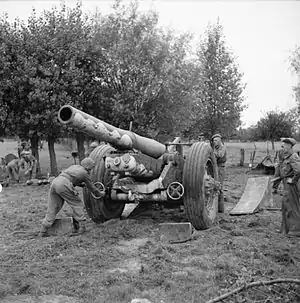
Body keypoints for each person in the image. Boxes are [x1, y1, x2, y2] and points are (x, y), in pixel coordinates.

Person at [39, 157, 104, 237]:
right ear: (89, 167)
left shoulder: (74, 167)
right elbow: (92, 188)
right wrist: (101, 194)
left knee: (53, 207)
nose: (91, 170)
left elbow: (70, 177)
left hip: (55, 182)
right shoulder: (84, 173)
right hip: (64, 184)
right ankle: (82, 227)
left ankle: (43, 230)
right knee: (77, 204)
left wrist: (80, 184)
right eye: (91, 168)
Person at [272, 138, 300, 236]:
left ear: (289, 146)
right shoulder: (284, 156)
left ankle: (295, 230)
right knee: (285, 206)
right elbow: (280, 170)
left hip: (291, 185)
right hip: (286, 183)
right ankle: (285, 229)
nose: (282, 147)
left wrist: (293, 180)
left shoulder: (293, 156)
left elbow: (298, 171)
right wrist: (275, 184)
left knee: (292, 206)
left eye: (284, 145)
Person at [211, 134, 227, 213]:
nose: (214, 142)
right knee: (214, 186)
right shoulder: (215, 147)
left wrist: (212, 154)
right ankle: (215, 207)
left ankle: (221, 209)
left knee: (219, 187)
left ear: (220, 140)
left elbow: (220, 155)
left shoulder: (222, 147)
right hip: (216, 167)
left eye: (216, 140)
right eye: (213, 141)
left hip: (220, 168)